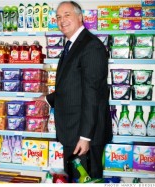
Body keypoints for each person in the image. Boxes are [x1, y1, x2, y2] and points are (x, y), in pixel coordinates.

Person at [37, 1, 113, 182]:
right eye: (58, 17)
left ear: (80, 17)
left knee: (86, 180)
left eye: (67, 15)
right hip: (73, 130)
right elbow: (73, 88)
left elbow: (92, 93)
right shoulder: (72, 44)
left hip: (85, 134)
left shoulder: (90, 46)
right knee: (74, 178)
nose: (62, 20)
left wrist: (85, 137)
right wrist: (48, 99)